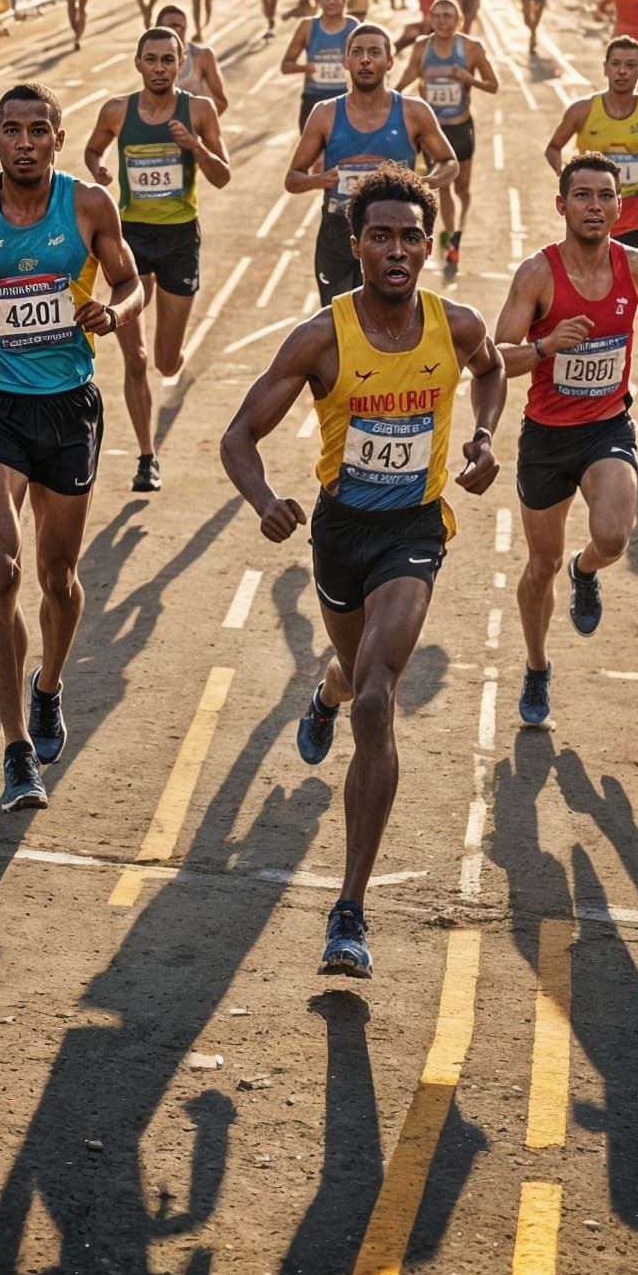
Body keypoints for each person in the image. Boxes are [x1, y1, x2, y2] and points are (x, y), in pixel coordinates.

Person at [220, 165, 506, 979]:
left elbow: (492, 369)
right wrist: (265, 498)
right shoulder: (320, 337)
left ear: (428, 245)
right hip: (339, 532)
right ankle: (324, 692)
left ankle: (349, 908)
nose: (396, 249)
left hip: (413, 531)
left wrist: (483, 437)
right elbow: (239, 436)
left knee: (379, 694)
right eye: (379, 235)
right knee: (352, 672)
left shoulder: (454, 326)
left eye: (411, 236)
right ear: (355, 246)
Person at [0, 83, 144, 811]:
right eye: (11, 130)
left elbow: (133, 279)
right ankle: (15, 749)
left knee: (59, 577)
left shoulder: (87, 208)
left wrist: (114, 308)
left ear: (58, 140)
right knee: (2, 567)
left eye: (38, 130)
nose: (25, 142)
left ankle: (49, 686)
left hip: (69, 408)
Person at [493, 152, 638, 729]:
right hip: (546, 436)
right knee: (540, 564)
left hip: (606, 428)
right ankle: (538, 666)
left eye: (604, 196)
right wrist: (548, 347)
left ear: (620, 206)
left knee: (614, 535)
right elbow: (496, 358)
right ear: (562, 205)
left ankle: (587, 570)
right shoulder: (537, 275)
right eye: (583, 196)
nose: (594, 206)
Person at [84, 28, 231, 492]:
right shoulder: (117, 111)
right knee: (136, 358)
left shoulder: (199, 111)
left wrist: (195, 146)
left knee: (165, 362)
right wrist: (98, 168)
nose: (161, 68)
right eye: (152, 60)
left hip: (180, 240)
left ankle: (176, 357)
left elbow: (223, 176)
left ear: (181, 62)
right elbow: (92, 148)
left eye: (169, 60)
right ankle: (147, 457)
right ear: (138, 63)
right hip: (130, 239)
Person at [285, 23, 458, 305]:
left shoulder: (414, 111)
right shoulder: (325, 113)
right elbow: (292, 179)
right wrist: (321, 180)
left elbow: (449, 162)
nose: (365, 59)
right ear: (347, 61)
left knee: (390, 317)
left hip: (394, 235)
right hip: (338, 232)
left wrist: (424, 184)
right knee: (339, 319)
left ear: (389, 62)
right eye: (357, 52)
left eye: (374, 52)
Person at [544, 36, 638, 251]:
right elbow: (553, 148)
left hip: (632, 217)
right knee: (588, 282)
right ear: (605, 68)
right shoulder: (582, 111)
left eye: (630, 65)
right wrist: (563, 171)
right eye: (616, 64)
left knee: (632, 282)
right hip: (589, 215)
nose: (622, 71)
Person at [396, 0, 497, 269]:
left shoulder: (471, 48)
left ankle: (458, 230)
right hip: (433, 132)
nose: (442, 21)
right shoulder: (421, 47)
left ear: (459, 20)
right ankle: (451, 241)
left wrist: (468, 79)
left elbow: (493, 84)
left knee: (463, 189)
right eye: (437, 16)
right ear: (430, 19)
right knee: (444, 188)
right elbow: (406, 78)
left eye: (448, 16)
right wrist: (387, 99)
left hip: (461, 128)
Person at [282, 0, 356, 135]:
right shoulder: (307, 27)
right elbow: (286, 66)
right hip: (314, 100)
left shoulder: (353, 27)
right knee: (312, 157)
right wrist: (307, 68)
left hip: (346, 101)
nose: (331, 2)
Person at [157, 3, 228, 115]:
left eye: (179, 26)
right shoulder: (151, 58)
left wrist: (198, 125)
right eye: (170, 27)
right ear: (158, 30)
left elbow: (221, 103)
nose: (175, 31)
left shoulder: (202, 56)